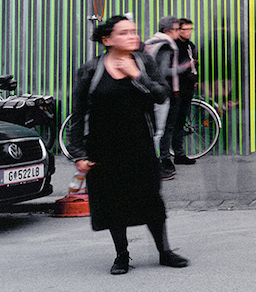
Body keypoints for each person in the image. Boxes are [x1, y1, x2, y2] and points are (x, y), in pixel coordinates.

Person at [65, 15, 189, 275]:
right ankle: (121, 255)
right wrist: (78, 153)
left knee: (151, 200)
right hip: (102, 148)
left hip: (139, 144)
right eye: (124, 33)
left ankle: (164, 251)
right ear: (106, 40)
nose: (132, 36)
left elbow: (162, 95)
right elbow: (79, 113)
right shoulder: (91, 70)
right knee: (112, 202)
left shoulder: (144, 63)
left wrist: (137, 76)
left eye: (133, 31)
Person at [142, 15, 181, 179]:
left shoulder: (150, 43)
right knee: (160, 131)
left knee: (154, 130)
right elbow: (164, 71)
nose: (178, 33)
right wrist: (185, 67)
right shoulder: (166, 45)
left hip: (149, 90)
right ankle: (157, 165)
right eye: (176, 29)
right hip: (161, 93)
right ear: (167, 30)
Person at [167, 17, 199, 166]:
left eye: (190, 29)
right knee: (173, 122)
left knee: (180, 121)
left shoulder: (190, 45)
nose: (189, 32)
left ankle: (179, 154)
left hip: (188, 88)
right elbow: (174, 68)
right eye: (185, 29)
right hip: (177, 88)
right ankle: (173, 154)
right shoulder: (174, 46)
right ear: (178, 30)